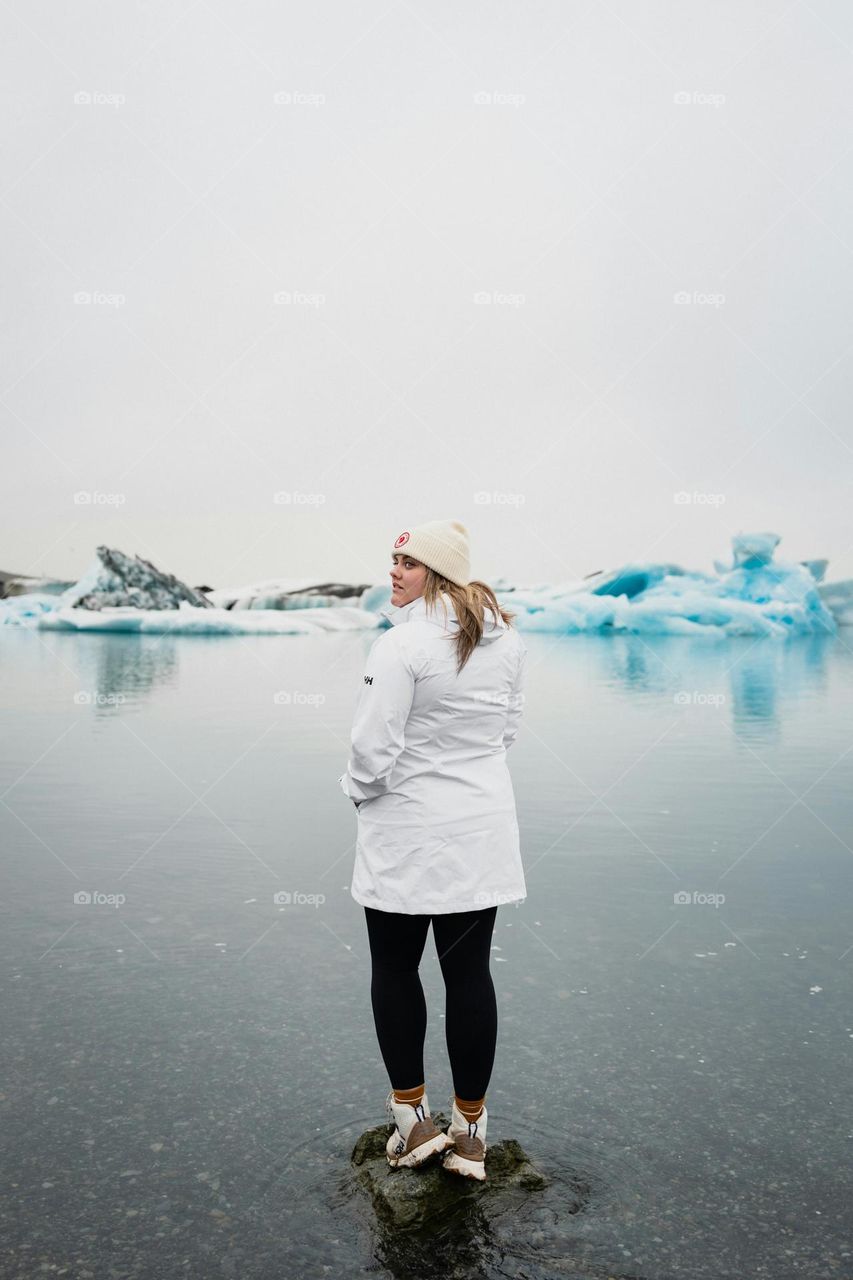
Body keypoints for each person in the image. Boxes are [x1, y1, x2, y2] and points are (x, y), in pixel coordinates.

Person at [339, 519, 528, 1182]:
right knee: (468, 974)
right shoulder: (507, 642)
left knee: (395, 969)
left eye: (409, 563)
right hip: (480, 832)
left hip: (407, 832)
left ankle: (412, 1122)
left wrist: (359, 794)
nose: (394, 572)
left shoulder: (401, 645)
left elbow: (372, 749)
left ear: (439, 574)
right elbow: (505, 732)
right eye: (393, 560)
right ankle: (470, 1134)